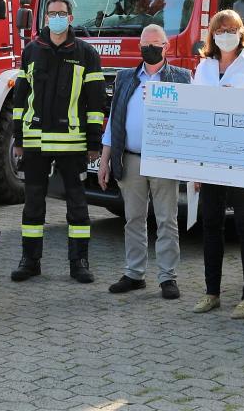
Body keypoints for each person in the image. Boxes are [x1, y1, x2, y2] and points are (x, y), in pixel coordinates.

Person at [10, 0, 106, 284]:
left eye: (61, 13)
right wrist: (18, 138)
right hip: (36, 142)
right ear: (46, 18)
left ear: (70, 18)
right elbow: (19, 99)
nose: (56, 18)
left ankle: (79, 262)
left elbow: (95, 103)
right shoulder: (31, 52)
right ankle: (30, 261)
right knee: (33, 204)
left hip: (72, 143)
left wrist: (93, 144)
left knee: (77, 205)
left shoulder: (86, 54)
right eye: (52, 13)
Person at [98, 24, 191, 299]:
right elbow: (114, 122)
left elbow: (191, 121)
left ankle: (167, 277)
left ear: (167, 47)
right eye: (144, 44)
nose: (148, 49)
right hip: (131, 159)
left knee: (166, 220)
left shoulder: (182, 78)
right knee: (133, 219)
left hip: (164, 160)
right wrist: (104, 161)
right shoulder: (125, 77)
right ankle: (134, 273)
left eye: (155, 44)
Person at [191, 9, 244, 320]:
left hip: (243, 158)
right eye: (220, 29)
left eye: (232, 28)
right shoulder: (204, 66)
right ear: (212, 34)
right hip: (210, 158)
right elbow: (195, 114)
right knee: (211, 226)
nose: (225, 33)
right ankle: (212, 292)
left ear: (241, 32)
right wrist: (195, 166)